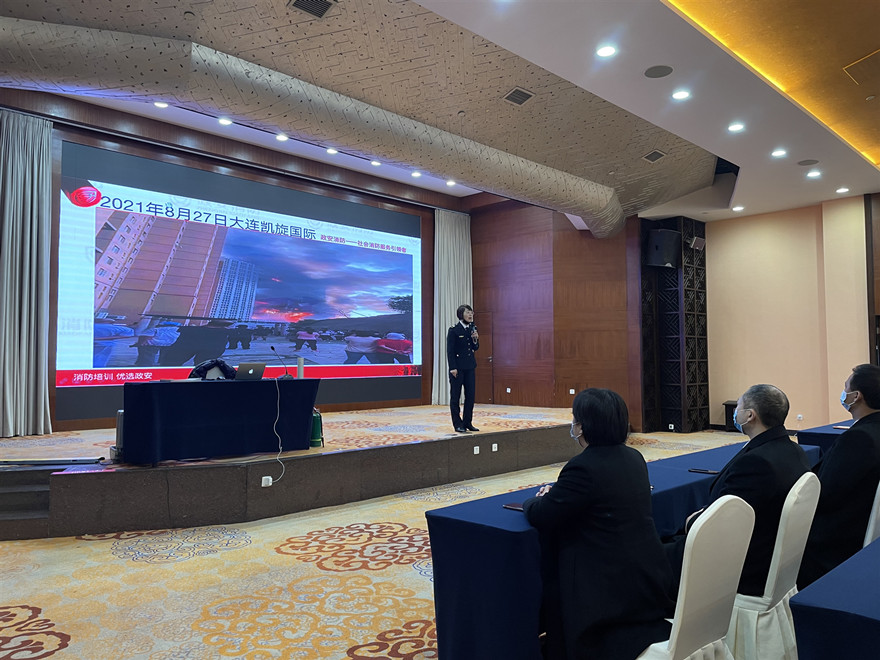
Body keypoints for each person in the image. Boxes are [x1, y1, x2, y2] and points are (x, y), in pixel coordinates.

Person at [523, 388, 674, 660]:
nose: (573, 425)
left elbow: (542, 514)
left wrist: (535, 499)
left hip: (605, 591)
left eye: (575, 419)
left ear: (583, 426)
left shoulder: (583, 467)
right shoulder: (634, 458)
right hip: (646, 580)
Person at [664, 384, 810, 597]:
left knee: (648, 558)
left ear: (750, 415)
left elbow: (724, 524)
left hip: (741, 565)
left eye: (738, 407)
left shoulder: (756, 463)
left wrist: (692, 522)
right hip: (766, 548)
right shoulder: (794, 449)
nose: (735, 412)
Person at [798, 364, 880, 588]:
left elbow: (825, 493)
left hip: (835, 543)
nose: (843, 393)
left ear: (856, 396)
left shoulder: (859, 438)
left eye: (846, 388)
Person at [446, 304, 479, 433]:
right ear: (461, 315)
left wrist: (475, 339)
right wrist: (453, 367)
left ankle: (467, 422)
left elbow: (475, 348)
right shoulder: (454, 330)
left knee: (470, 396)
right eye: (467, 312)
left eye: (471, 312)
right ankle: (457, 424)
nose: (470, 315)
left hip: (470, 367)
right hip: (457, 369)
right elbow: (450, 351)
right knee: (455, 397)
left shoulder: (472, 329)